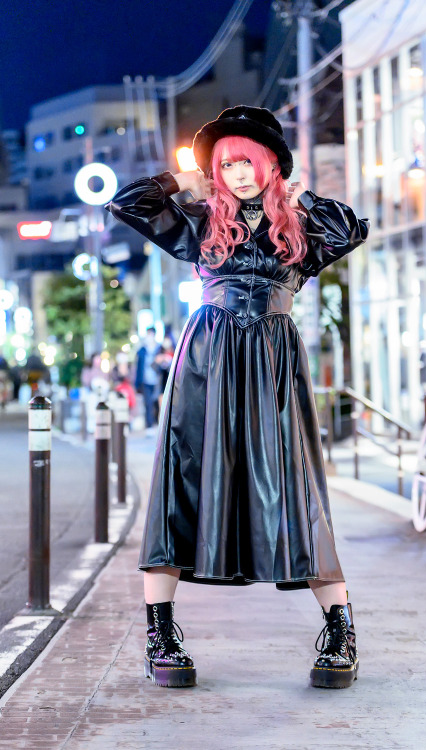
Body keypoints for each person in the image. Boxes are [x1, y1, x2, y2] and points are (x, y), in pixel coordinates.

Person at [105, 105, 370, 690]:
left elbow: (354, 227)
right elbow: (126, 203)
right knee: (185, 481)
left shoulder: (299, 228)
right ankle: (161, 633)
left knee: (299, 491)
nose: (237, 173)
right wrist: (182, 180)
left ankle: (340, 630)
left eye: (248, 160)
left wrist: (298, 199)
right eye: (225, 163)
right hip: (207, 363)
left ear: (270, 164)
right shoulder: (201, 222)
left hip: (275, 366)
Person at [134, 327, 162, 436]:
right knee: (148, 403)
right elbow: (138, 368)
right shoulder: (142, 350)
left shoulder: (160, 348)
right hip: (145, 381)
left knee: (158, 403)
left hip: (158, 381)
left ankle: (159, 425)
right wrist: (137, 383)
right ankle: (149, 426)